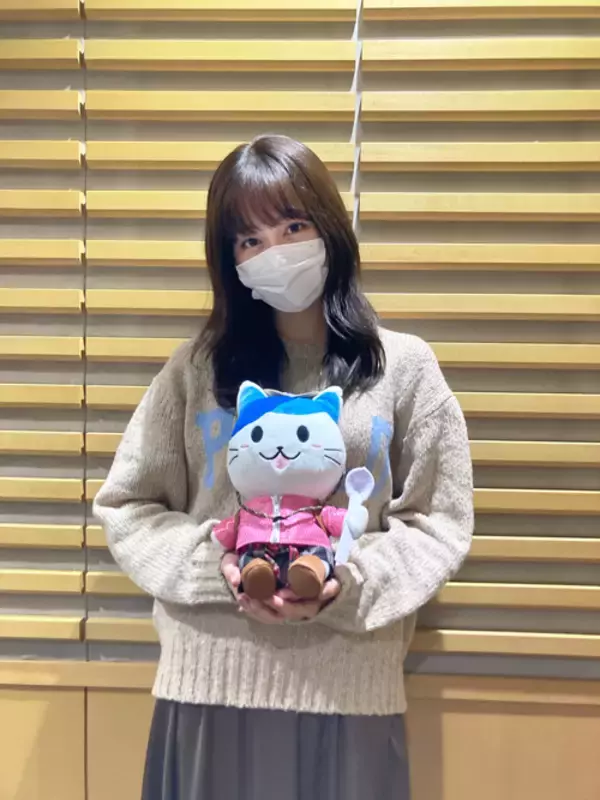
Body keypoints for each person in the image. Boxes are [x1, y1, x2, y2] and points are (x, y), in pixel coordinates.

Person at [93, 134, 474, 800]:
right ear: (231, 260)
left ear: (330, 228)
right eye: (250, 239)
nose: (275, 250)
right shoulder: (196, 371)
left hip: (350, 693)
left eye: (293, 226)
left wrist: (346, 580)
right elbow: (128, 505)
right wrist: (222, 569)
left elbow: (438, 520)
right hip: (207, 686)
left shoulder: (405, 369)